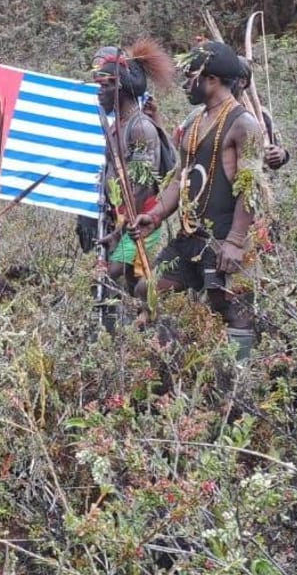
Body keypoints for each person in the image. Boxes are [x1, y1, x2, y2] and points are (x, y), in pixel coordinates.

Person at [130, 41, 262, 359]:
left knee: (229, 306)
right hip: (189, 236)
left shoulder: (244, 124)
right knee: (148, 289)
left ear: (212, 79)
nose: (186, 83)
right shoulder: (196, 121)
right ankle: (170, 367)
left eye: (191, 76)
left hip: (222, 238)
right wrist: (158, 213)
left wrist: (235, 241)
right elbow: (182, 176)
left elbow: (251, 188)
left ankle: (238, 389)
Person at [92, 38, 175, 294]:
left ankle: (149, 329)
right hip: (122, 219)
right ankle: (129, 330)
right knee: (128, 283)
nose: (98, 92)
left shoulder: (139, 127)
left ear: (118, 87)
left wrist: (120, 230)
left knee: (115, 276)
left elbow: (141, 186)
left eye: (102, 86)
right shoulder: (120, 125)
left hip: (141, 219)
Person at [232, 57, 290, 170]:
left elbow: (281, 150)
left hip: (254, 180)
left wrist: (280, 155)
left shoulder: (261, 114)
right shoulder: (206, 115)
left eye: (228, 78)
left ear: (242, 82)